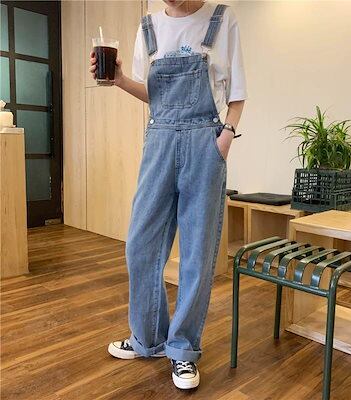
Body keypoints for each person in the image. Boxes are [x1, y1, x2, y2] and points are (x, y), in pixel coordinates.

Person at [89, 0, 247, 390]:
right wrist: (119, 79)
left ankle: (183, 349)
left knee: (196, 252)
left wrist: (226, 136)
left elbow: (238, 91)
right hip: (159, 139)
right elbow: (155, 95)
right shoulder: (148, 26)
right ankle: (149, 339)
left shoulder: (221, 19)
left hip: (205, 142)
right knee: (140, 246)